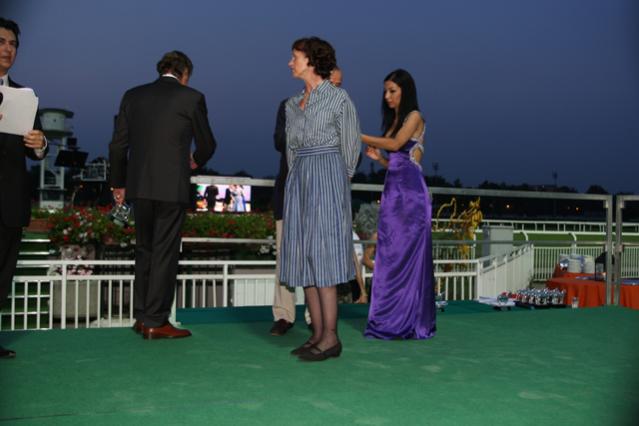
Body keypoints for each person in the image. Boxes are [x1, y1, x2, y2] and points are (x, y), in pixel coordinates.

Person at [109, 51, 216, 339]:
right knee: (165, 254)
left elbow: (118, 145)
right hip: (172, 188)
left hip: (139, 187)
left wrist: (118, 183)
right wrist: (195, 160)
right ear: (184, 74)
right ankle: (156, 320)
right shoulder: (191, 97)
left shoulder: (132, 96)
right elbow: (207, 143)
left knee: (144, 250)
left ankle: (142, 317)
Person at [280, 37, 360, 361]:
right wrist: (297, 179)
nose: (290, 62)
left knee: (324, 255)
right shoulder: (291, 104)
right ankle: (316, 334)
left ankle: (331, 337)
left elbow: (351, 149)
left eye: (295, 57)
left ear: (312, 61)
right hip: (299, 178)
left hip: (327, 176)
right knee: (304, 256)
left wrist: (336, 182)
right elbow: (290, 149)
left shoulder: (339, 99)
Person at [361, 69, 436, 340]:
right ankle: (389, 318)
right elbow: (396, 161)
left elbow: (396, 144)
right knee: (390, 254)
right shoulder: (395, 119)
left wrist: (358, 135)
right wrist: (379, 160)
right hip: (393, 192)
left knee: (407, 255)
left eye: (392, 90)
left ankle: (408, 319)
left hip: (411, 196)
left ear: (406, 91)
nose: (387, 96)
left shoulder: (414, 116)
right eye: (385, 91)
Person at [0, 18, 48, 359]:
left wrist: (40, 143)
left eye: (13, 44)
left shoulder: (25, 96)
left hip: (10, 204)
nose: (7, 49)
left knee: (3, 277)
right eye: (2, 42)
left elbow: (38, 150)